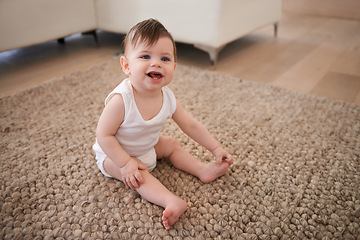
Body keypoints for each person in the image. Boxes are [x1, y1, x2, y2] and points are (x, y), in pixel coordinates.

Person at [92, 18, 233, 230]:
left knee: (172, 145)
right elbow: (104, 136)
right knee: (139, 177)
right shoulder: (121, 100)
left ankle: (202, 170)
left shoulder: (167, 97)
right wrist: (125, 163)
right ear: (126, 66)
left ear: (174, 67)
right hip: (114, 155)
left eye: (164, 58)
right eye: (145, 56)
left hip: (147, 146)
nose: (156, 63)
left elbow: (191, 125)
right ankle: (170, 200)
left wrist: (215, 147)